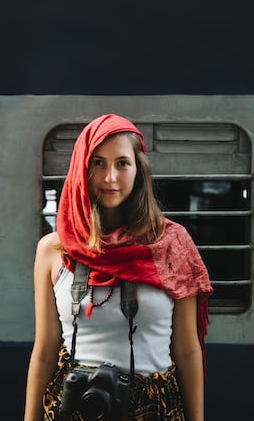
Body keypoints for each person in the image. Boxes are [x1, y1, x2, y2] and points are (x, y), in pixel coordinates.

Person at [24, 114, 212, 421]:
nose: (110, 177)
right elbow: (45, 351)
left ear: (138, 171)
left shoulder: (172, 244)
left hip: (155, 411)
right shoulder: (53, 250)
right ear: (82, 170)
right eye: (98, 163)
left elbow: (187, 351)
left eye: (122, 163)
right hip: (74, 407)